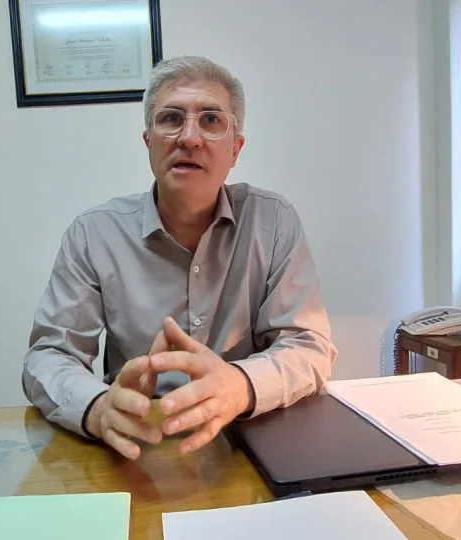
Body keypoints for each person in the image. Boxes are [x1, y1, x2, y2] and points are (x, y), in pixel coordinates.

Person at [21, 55, 337, 460]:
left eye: (211, 120)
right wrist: (96, 408)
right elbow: (49, 356)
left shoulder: (273, 221)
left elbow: (308, 346)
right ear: (148, 143)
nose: (189, 138)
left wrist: (240, 385)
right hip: (134, 442)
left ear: (235, 149)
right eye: (171, 119)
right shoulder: (93, 234)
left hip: (245, 439)